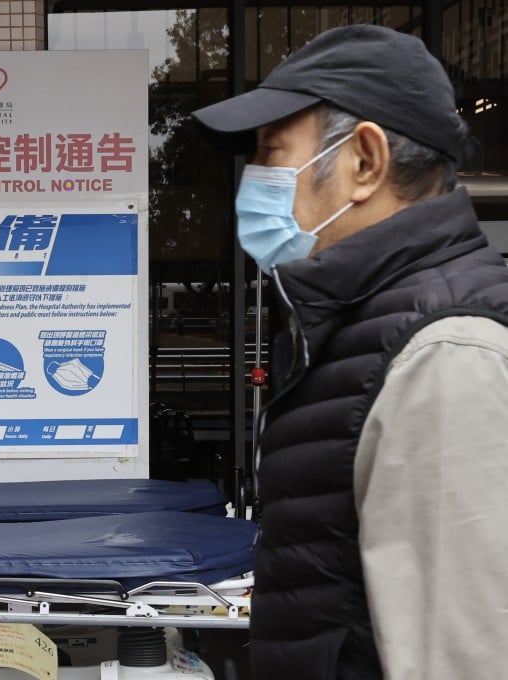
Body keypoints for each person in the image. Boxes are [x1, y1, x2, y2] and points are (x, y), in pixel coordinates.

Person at [191, 24, 508, 680]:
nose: (255, 181)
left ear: (364, 161)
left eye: (272, 152)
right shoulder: (359, 327)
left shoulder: (445, 355)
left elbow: (465, 654)